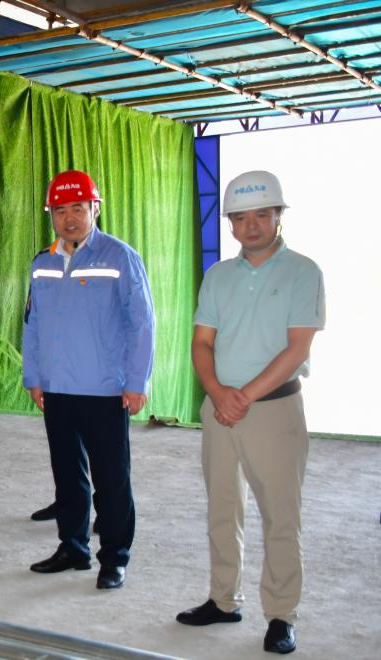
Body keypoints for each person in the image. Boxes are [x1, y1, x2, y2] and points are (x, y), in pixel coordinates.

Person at [176, 171, 324, 655]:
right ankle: (224, 600)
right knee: (222, 509)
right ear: (231, 224)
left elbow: (296, 347)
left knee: (281, 516)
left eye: (262, 214)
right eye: (241, 218)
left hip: (275, 411)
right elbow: (202, 342)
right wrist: (217, 392)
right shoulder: (219, 276)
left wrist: (241, 396)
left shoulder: (303, 271)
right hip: (220, 410)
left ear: (278, 216)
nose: (252, 225)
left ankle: (281, 615)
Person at [21, 169, 155, 590]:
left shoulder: (119, 257)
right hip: (57, 389)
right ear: (51, 215)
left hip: (105, 389)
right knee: (68, 476)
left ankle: (114, 558)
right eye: (60, 210)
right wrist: (34, 376)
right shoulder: (42, 262)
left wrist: (137, 381)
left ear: (94, 208)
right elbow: (32, 324)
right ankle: (73, 547)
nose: (69, 218)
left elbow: (142, 323)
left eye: (77, 208)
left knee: (111, 480)